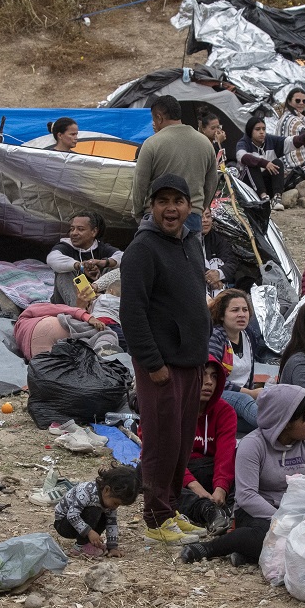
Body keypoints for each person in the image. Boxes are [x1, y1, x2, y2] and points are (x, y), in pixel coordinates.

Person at [121, 174, 210, 545]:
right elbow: (133, 313)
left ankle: (171, 509)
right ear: (151, 207)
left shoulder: (191, 244)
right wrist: (152, 363)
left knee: (182, 440)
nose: (170, 209)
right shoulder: (142, 250)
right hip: (162, 365)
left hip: (190, 361)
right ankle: (155, 517)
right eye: (162, 202)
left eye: (178, 201)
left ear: (189, 206)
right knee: (161, 441)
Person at [179, 385, 305, 565]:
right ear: (285, 422)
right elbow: (247, 496)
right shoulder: (253, 445)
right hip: (261, 513)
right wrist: (283, 519)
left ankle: (251, 556)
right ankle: (209, 548)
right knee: (263, 534)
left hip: (304, 511)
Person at [132, 95, 218, 227]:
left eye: (154, 119)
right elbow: (211, 183)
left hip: (158, 217)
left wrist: (138, 213)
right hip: (192, 216)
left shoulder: (151, 144)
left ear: (159, 117)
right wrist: (199, 208)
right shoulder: (205, 143)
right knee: (190, 248)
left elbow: (139, 183)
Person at [180, 356, 238, 535]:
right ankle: (209, 511)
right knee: (152, 474)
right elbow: (166, 456)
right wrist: (194, 486)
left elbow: (225, 455)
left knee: (242, 462)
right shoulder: (174, 407)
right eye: (203, 375)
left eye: (214, 377)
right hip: (180, 471)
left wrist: (221, 488)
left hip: (210, 469)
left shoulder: (225, 411)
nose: (208, 382)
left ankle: (231, 512)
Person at [53, 464, 140, 557]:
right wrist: (89, 532)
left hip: (80, 525)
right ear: (107, 490)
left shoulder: (108, 502)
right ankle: (80, 547)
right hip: (63, 524)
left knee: (105, 516)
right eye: (116, 503)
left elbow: (111, 524)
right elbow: (72, 515)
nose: (115, 507)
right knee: (94, 511)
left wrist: (112, 547)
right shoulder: (87, 492)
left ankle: (88, 543)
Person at [207, 290, 262, 432]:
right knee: (244, 401)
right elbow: (213, 379)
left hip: (245, 395)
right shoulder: (216, 337)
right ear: (221, 315)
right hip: (217, 393)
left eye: (245, 310)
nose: (241, 314)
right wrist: (250, 393)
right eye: (235, 310)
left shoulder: (248, 335)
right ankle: (280, 428)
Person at [46, 212, 122, 306]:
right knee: (63, 272)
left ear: (94, 232)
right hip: (68, 304)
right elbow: (51, 258)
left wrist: (104, 263)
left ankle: (105, 306)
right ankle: (79, 311)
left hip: (97, 301)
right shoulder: (65, 246)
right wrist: (80, 266)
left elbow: (125, 258)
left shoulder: (101, 248)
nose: (74, 233)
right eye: (72, 229)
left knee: (115, 266)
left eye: (80, 229)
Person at [235, 115, 305, 205]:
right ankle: (263, 197)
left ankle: (277, 198)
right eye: (257, 129)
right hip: (249, 185)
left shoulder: (270, 140)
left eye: (263, 129)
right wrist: (265, 163)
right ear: (250, 131)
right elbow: (241, 156)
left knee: (277, 163)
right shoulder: (243, 142)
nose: (261, 132)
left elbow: (289, 142)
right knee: (252, 164)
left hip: (266, 183)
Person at [13, 302, 117, 360]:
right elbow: (56, 308)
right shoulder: (28, 313)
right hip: (47, 326)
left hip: (34, 352)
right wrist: (86, 316)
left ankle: (96, 353)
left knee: (80, 344)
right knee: (105, 331)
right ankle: (103, 352)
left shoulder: (19, 330)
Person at [201, 205, 237, 293]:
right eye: (201, 217)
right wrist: (209, 278)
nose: (205, 220)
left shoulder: (217, 239)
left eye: (208, 216)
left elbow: (232, 262)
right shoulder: (185, 240)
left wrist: (218, 274)